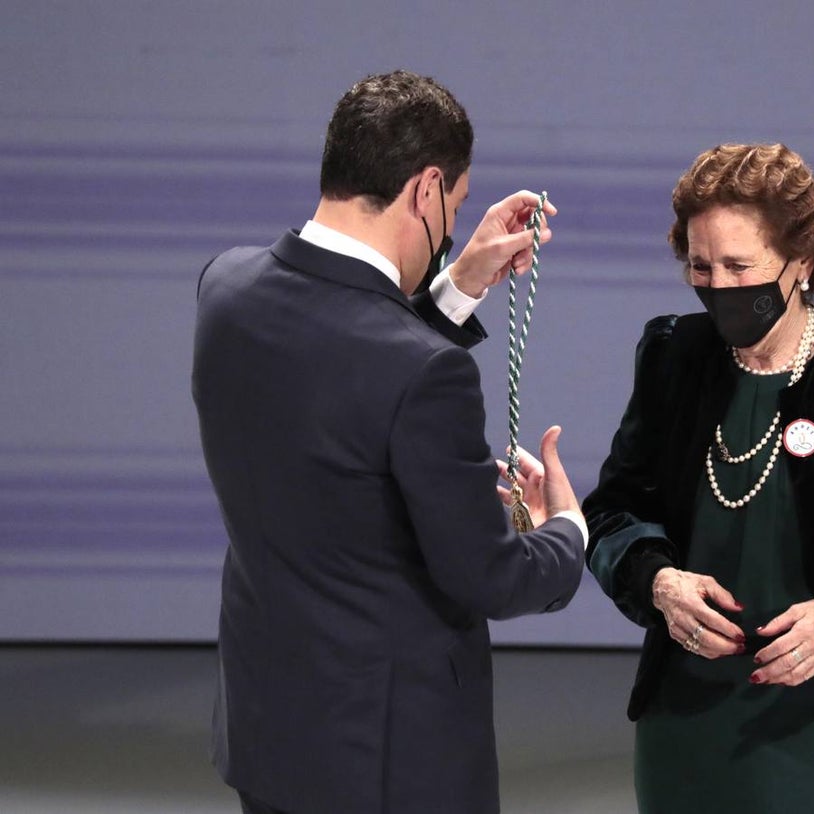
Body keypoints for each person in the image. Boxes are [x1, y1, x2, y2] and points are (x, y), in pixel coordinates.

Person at [192, 71, 587, 814]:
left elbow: (344, 380)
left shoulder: (226, 289)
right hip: (391, 766)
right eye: (456, 207)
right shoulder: (422, 371)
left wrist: (458, 285)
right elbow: (491, 577)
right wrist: (568, 529)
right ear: (426, 188)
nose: (450, 227)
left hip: (268, 733)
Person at [583, 143, 814, 813]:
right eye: (700, 266)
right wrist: (657, 580)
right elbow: (614, 511)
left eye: (740, 265)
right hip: (682, 728)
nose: (719, 287)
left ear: (803, 260)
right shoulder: (674, 355)